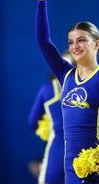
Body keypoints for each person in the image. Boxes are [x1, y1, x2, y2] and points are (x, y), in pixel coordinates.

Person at [30, 0, 99, 184]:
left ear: (97, 44)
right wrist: (41, 0)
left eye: (81, 40)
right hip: (71, 164)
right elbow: (43, 41)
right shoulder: (65, 74)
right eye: (71, 42)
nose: (75, 47)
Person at [28, 51, 73, 184]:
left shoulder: (47, 89)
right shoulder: (94, 84)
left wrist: (49, 127)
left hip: (57, 152)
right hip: (88, 152)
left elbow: (32, 123)